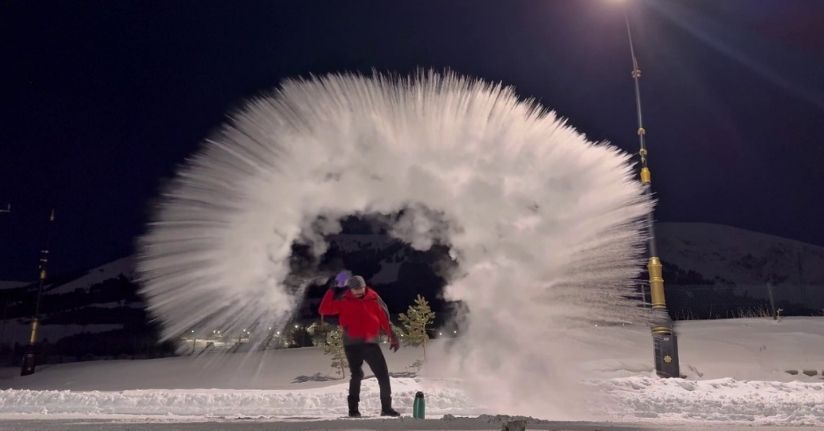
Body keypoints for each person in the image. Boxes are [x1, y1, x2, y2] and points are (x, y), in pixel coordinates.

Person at [319, 274, 401, 417]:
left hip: (370, 343)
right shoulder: (344, 300)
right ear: (350, 289)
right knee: (357, 375)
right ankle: (353, 410)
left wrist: (392, 335)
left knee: (383, 375)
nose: (358, 291)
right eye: (355, 289)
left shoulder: (374, 298)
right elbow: (324, 309)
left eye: (360, 288)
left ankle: (386, 408)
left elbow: (383, 317)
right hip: (352, 344)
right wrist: (331, 289)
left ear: (364, 286)